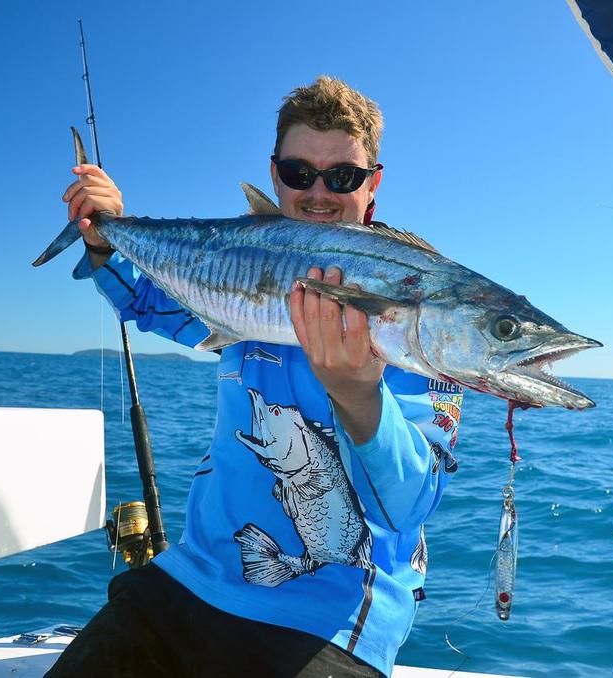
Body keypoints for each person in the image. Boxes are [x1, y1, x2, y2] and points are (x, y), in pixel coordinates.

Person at [46, 76, 461, 678]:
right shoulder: (246, 283)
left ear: (372, 186)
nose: (319, 192)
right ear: (274, 178)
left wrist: (357, 393)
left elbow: (406, 508)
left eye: (342, 177)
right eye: (299, 173)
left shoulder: (418, 313)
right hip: (188, 580)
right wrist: (106, 237)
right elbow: (151, 305)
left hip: (331, 619)